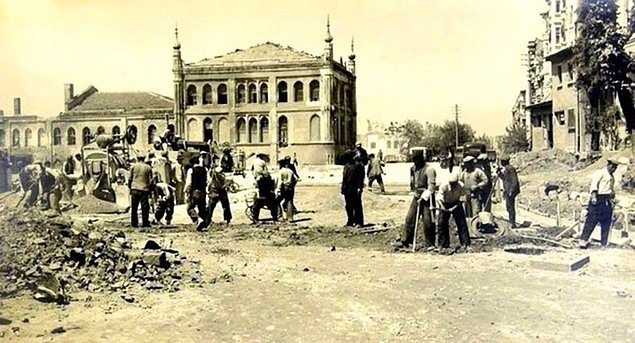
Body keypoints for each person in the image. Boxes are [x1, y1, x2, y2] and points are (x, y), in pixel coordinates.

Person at [394, 149, 436, 249]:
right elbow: (413, 183)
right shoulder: (413, 168)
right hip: (416, 196)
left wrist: (423, 197)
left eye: (417, 160)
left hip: (427, 198)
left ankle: (430, 244)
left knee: (427, 221)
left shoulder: (429, 170)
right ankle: (406, 241)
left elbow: (432, 187)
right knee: (410, 218)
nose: (415, 162)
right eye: (414, 160)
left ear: (421, 159)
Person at [578, 159, 625, 248]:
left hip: (606, 200)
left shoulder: (612, 177)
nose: (614, 169)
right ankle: (583, 240)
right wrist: (594, 196)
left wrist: (613, 198)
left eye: (616, 168)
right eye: (613, 167)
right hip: (597, 199)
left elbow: (611, 190)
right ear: (609, 165)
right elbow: (594, 185)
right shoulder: (600, 173)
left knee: (606, 221)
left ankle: (604, 242)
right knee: (591, 220)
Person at [436, 171, 470, 251]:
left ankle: (465, 243)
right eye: (451, 183)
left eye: (454, 183)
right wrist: (443, 207)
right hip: (445, 204)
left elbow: (462, 199)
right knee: (441, 224)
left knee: (462, 224)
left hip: (456, 204)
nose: (453, 185)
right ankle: (443, 244)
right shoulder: (444, 185)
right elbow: (438, 198)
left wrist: (454, 208)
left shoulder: (461, 186)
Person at [185, 153, 210, 231]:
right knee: (201, 208)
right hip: (203, 192)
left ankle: (198, 220)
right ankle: (203, 225)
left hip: (195, 191)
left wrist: (186, 191)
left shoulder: (191, 170)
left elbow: (189, 183)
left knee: (190, 208)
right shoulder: (205, 169)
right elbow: (208, 181)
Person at [341, 150, 365, 227]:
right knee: (348, 206)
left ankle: (359, 222)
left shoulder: (358, 165)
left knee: (357, 205)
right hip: (347, 189)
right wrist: (343, 188)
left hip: (355, 188)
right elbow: (344, 178)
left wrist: (359, 187)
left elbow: (361, 178)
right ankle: (350, 221)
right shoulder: (346, 166)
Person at [128, 153, 153, 228]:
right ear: (144, 158)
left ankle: (134, 223)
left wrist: (130, 187)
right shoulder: (148, 167)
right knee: (144, 207)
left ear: (137, 158)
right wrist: (150, 188)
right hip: (144, 189)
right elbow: (151, 180)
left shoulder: (133, 166)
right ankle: (145, 223)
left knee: (134, 207)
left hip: (134, 188)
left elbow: (130, 178)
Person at [207, 155, 232, 225]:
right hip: (218, 190)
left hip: (216, 190)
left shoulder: (219, 174)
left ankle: (208, 219)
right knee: (214, 206)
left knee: (213, 206)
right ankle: (208, 219)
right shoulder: (214, 173)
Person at [498, 155, 520, 228]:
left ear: (504, 162)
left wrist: (511, 191)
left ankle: (512, 223)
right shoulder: (507, 169)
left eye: (501, 161)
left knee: (510, 207)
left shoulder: (511, 169)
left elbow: (514, 181)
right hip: (507, 190)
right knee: (508, 206)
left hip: (511, 190)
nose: (501, 163)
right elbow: (504, 178)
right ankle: (511, 221)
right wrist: (499, 173)